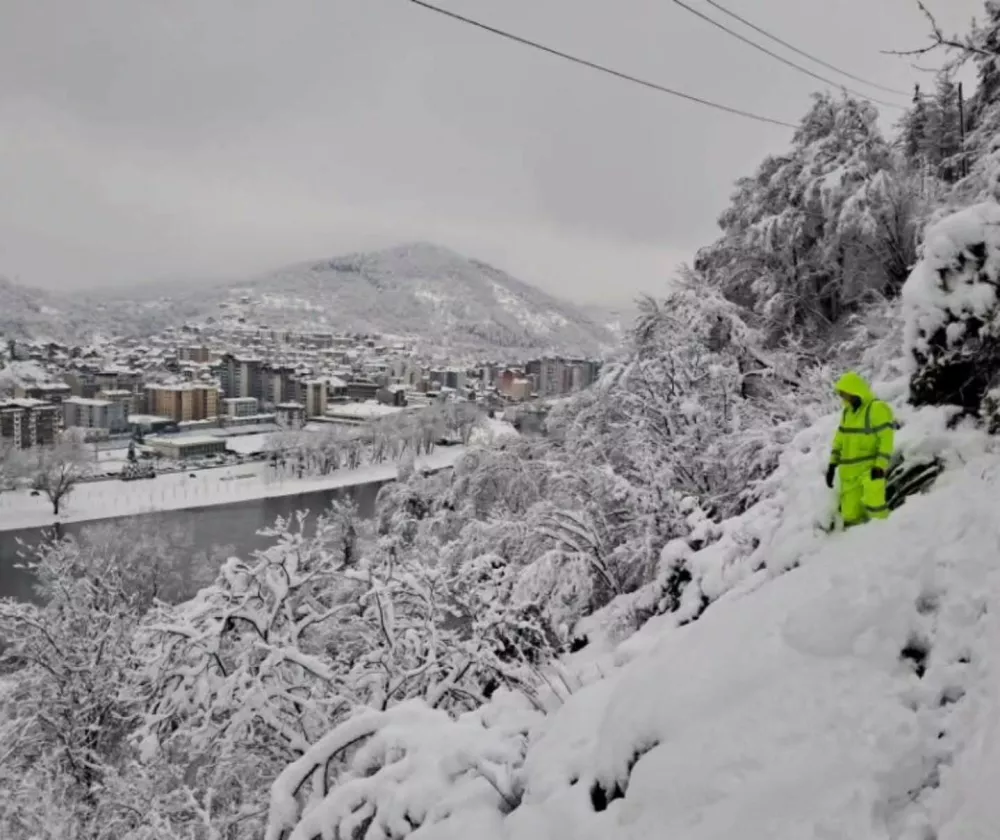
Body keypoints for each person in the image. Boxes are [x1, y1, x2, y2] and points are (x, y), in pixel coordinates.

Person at [825, 371, 895, 528]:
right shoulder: (847, 413)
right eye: (842, 395)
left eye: (845, 394)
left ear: (855, 391)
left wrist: (880, 466)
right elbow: (840, 440)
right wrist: (832, 464)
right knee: (850, 517)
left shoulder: (876, 409)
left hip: (869, 472)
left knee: (876, 511)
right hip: (849, 476)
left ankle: (887, 539)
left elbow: (886, 439)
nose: (844, 398)